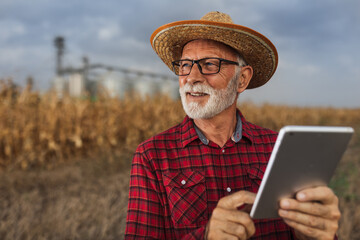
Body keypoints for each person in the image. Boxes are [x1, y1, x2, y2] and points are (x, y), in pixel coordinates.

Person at [125, 11, 340, 239]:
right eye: (185, 65)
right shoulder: (152, 156)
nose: (192, 77)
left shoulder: (280, 149)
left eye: (209, 64)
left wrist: (313, 232)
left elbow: (309, 228)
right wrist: (206, 236)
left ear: (242, 79)